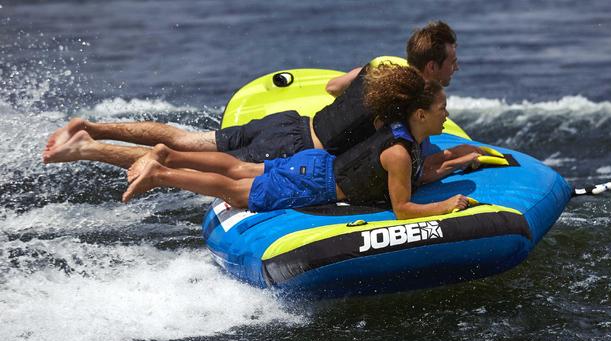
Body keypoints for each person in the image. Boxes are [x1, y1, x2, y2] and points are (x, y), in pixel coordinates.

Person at [43, 21, 464, 168]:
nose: (455, 68)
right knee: (181, 162)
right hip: (292, 151)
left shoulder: (377, 68)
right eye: (450, 63)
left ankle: (93, 126)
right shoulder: (410, 103)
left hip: (289, 123)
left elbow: (333, 86)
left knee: (182, 139)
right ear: (431, 68)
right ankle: (86, 148)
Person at [118, 65, 487, 220]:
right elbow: (403, 208)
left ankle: (169, 153)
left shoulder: (399, 135)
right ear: (419, 114)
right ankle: (161, 174)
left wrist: (463, 157)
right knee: (235, 190)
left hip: (314, 163)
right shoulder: (399, 154)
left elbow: (426, 170)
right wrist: (445, 205)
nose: (447, 113)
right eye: (442, 107)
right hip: (316, 181)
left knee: (240, 168)